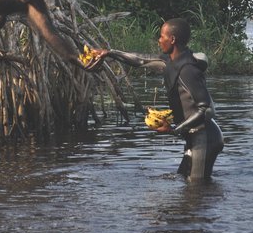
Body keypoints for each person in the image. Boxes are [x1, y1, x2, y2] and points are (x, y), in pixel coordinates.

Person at [93, 18, 224, 181]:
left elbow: (205, 110)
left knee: (195, 190)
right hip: (193, 136)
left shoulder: (187, 70)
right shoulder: (169, 61)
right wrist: (110, 53)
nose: (159, 40)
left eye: (162, 36)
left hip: (204, 137)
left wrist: (174, 130)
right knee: (183, 179)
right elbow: (140, 60)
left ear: (173, 39)